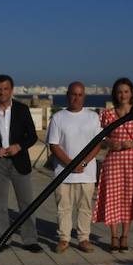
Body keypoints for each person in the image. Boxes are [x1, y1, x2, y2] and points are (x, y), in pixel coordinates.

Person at [0, 74, 41, 252]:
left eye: (5, 89)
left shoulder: (22, 110)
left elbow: (33, 136)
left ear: (11, 90)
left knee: (26, 203)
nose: (2, 92)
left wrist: (19, 146)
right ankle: (2, 240)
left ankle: (30, 240)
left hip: (19, 162)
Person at [94, 77, 133, 251]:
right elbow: (101, 136)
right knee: (112, 197)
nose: (123, 95)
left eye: (126, 91)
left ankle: (125, 236)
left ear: (131, 93)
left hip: (132, 160)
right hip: (114, 160)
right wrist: (110, 143)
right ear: (114, 94)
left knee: (129, 197)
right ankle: (114, 236)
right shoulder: (107, 114)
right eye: (119, 91)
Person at [46, 81, 102, 252]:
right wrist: (70, 165)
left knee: (85, 207)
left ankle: (83, 238)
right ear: (67, 95)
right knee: (64, 207)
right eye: (73, 94)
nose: (76, 98)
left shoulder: (93, 117)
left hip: (87, 173)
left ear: (84, 96)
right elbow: (54, 145)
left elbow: (98, 143)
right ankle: (64, 238)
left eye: (79, 95)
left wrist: (83, 163)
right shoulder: (58, 118)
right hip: (63, 173)